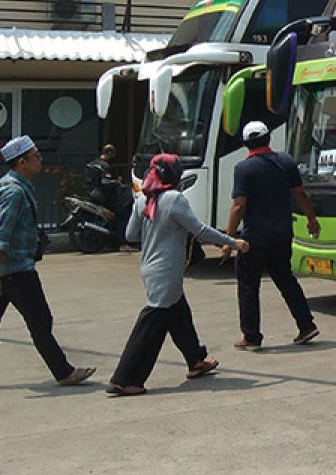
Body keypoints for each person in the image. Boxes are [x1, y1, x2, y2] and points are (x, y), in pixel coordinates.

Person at [0, 136, 96, 392]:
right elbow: (0, 235)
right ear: (22, 162)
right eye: (36, 156)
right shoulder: (14, 191)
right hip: (14, 270)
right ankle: (64, 372)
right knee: (39, 319)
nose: (40, 160)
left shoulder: (8, 183)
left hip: (7, 268)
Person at [107, 154, 249, 396]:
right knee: (152, 323)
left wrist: (157, 230)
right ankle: (125, 378)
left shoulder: (143, 198)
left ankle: (196, 361)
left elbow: (131, 234)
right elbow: (200, 230)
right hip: (167, 271)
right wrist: (232, 242)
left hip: (150, 267)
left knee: (179, 314)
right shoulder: (174, 199)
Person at [224, 120, 321, 349]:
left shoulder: (244, 168)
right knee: (286, 280)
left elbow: (238, 206)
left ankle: (251, 337)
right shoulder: (285, 161)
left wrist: (228, 240)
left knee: (248, 286)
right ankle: (306, 325)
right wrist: (312, 219)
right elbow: (300, 193)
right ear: (268, 138)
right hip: (281, 236)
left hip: (253, 240)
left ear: (246, 144)